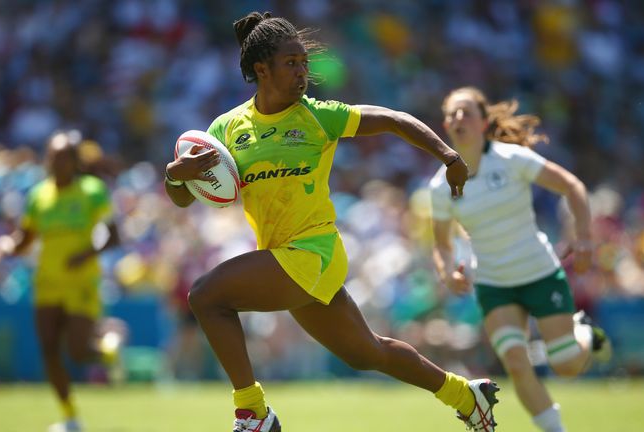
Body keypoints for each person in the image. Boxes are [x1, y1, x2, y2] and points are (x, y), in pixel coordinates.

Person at [164, 11, 499, 432]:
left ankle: (253, 412)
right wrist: (176, 176)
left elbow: (394, 120)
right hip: (282, 257)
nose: (302, 72)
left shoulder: (318, 116)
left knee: (205, 296)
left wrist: (448, 156)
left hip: (314, 251)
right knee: (367, 353)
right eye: (291, 63)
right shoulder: (227, 129)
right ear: (262, 70)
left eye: (304, 63)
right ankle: (465, 395)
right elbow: (183, 197)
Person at [429, 86, 611, 432]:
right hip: (494, 283)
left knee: (566, 365)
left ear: (484, 123)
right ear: (445, 125)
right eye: (452, 114)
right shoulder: (441, 186)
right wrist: (447, 272)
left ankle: (585, 333)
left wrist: (585, 238)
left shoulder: (512, 159)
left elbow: (572, 186)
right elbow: (441, 245)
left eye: (466, 112)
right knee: (515, 360)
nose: (458, 118)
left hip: (539, 273)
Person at [0, 130, 125, 432]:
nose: (57, 163)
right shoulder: (38, 195)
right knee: (49, 349)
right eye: (53, 157)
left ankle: (108, 349)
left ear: (76, 162)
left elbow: (114, 236)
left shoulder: (92, 191)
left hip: (81, 281)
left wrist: (86, 254)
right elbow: (25, 239)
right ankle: (70, 417)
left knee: (77, 351)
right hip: (47, 281)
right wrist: (5, 245)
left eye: (64, 157)